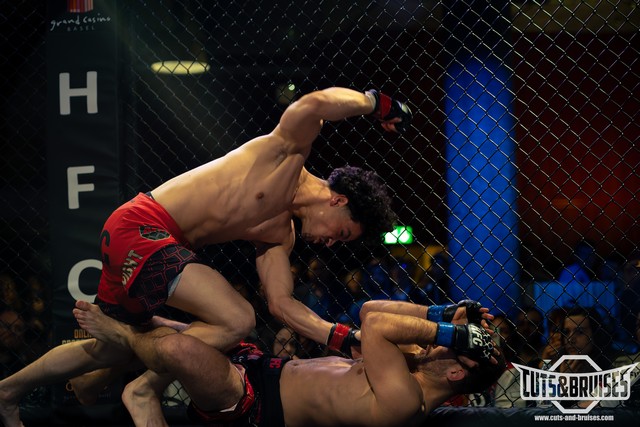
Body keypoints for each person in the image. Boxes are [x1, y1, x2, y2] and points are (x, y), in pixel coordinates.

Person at [0, 87, 410, 426]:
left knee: (106, 350)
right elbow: (316, 104)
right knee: (237, 319)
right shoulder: (285, 156)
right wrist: (377, 103)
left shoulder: (279, 234)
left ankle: (8, 390)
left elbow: (281, 304)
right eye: (342, 232)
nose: (332, 243)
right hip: (142, 225)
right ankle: (143, 388)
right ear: (338, 200)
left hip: (148, 246)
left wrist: (342, 337)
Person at [71, 298, 503, 427]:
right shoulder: (410, 363)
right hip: (263, 366)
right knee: (159, 324)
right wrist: (444, 315)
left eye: (449, 349)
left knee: (177, 349)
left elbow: (376, 327)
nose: (431, 345)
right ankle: (97, 386)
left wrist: (450, 334)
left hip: (254, 406)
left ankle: (122, 341)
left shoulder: (406, 401)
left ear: (455, 373)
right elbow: (370, 310)